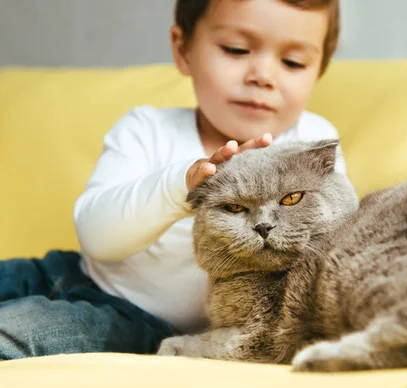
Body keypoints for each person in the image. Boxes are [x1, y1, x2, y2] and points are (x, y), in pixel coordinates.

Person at [0, 0, 352, 359]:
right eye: (236, 49)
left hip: (135, 319)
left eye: (293, 62)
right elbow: (97, 237)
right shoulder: (147, 129)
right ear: (183, 50)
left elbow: (335, 239)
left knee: (16, 331)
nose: (263, 75)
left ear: (319, 68)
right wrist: (177, 187)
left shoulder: (311, 143)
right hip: (69, 269)